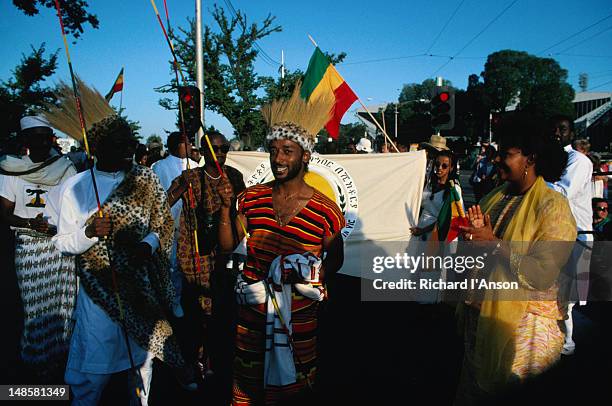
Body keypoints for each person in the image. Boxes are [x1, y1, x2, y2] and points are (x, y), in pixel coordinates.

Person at [217, 84, 345, 404]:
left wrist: (317, 276)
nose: (278, 158)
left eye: (287, 150)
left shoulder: (325, 208)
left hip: (300, 315)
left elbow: (337, 256)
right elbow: (228, 244)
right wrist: (224, 208)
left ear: (305, 156)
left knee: (293, 392)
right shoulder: (251, 198)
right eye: (273, 150)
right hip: (252, 313)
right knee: (247, 387)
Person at [53, 115, 193, 405]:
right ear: (98, 148)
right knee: (93, 372)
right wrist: (89, 232)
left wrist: (148, 245)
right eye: (118, 145)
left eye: (129, 143)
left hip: (140, 290)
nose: (127, 150)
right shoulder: (76, 187)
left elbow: (163, 225)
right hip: (99, 293)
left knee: (142, 365)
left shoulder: (144, 178)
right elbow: (62, 243)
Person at [456, 115, 576, 403]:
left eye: (506, 154)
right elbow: (476, 250)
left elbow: (542, 272)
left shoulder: (552, 207)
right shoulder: (496, 196)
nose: (497, 160)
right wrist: (471, 240)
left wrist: (494, 244)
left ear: (530, 159)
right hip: (483, 322)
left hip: (525, 332)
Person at [165, 131, 245, 392]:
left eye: (224, 149)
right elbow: (164, 203)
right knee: (197, 310)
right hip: (194, 253)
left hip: (222, 252)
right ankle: (195, 360)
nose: (220, 154)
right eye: (215, 149)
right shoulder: (190, 177)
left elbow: (243, 209)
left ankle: (213, 358)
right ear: (203, 151)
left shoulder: (233, 177)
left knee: (219, 308)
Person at [0, 116, 77, 383]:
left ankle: (61, 364)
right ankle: (35, 366)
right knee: (35, 307)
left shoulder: (65, 168)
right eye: (37, 137)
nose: (44, 142)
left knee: (62, 305)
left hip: (59, 248)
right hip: (29, 248)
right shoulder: (11, 169)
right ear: (26, 141)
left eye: (48, 136)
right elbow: (4, 213)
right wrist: (29, 223)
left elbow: (74, 208)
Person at [548, 114, 593, 356]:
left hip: (578, 238)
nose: (556, 133)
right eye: (554, 128)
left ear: (571, 134)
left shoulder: (578, 161)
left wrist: (530, 184)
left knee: (565, 298)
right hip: (557, 237)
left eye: (562, 129)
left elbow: (562, 192)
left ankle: (566, 343)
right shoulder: (551, 159)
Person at [152, 132, 199, 316]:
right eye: (187, 143)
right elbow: (158, 196)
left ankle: (182, 299)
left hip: (189, 222)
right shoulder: (159, 167)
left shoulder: (194, 165)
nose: (190, 147)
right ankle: (172, 301)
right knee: (169, 264)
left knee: (185, 262)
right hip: (168, 222)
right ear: (179, 145)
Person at [411, 149, 464, 241]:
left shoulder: (454, 189)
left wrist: (423, 230)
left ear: (451, 168)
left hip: (439, 235)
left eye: (444, 166)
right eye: (437, 164)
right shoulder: (430, 185)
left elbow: (448, 219)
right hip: (420, 233)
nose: (439, 168)